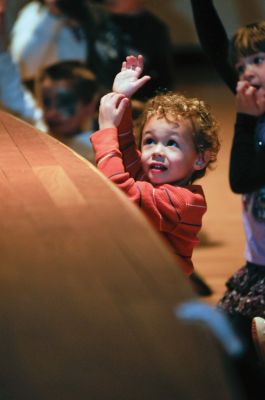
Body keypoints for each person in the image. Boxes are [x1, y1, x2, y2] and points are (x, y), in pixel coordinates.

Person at [189, 2, 265, 396]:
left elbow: (242, 179)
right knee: (228, 352)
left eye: (258, 60)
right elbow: (215, 45)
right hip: (257, 266)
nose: (247, 71)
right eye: (241, 67)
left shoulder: (252, 114)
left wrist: (246, 118)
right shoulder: (256, 103)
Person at [90, 54, 220, 277]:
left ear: (200, 158)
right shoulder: (148, 178)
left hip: (163, 292)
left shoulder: (184, 202)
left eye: (172, 143)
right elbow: (125, 145)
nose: (157, 151)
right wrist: (121, 97)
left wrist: (105, 130)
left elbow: (119, 191)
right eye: (150, 141)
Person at [89, 0, 175, 100]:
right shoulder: (97, 23)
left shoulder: (155, 30)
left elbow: (164, 78)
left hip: (137, 104)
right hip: (98, 102)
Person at [9, 0, 94, 92]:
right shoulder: (34, 13)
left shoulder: (84, 11)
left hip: (82, 91)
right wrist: (52, 15)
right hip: (48, 93)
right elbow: (22, 69)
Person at [35, 60, 98, 162]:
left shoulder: (97, 156)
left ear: (89, 107)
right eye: (46, 103)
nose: (51, 114)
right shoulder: (35, 128)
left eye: (64, 103)